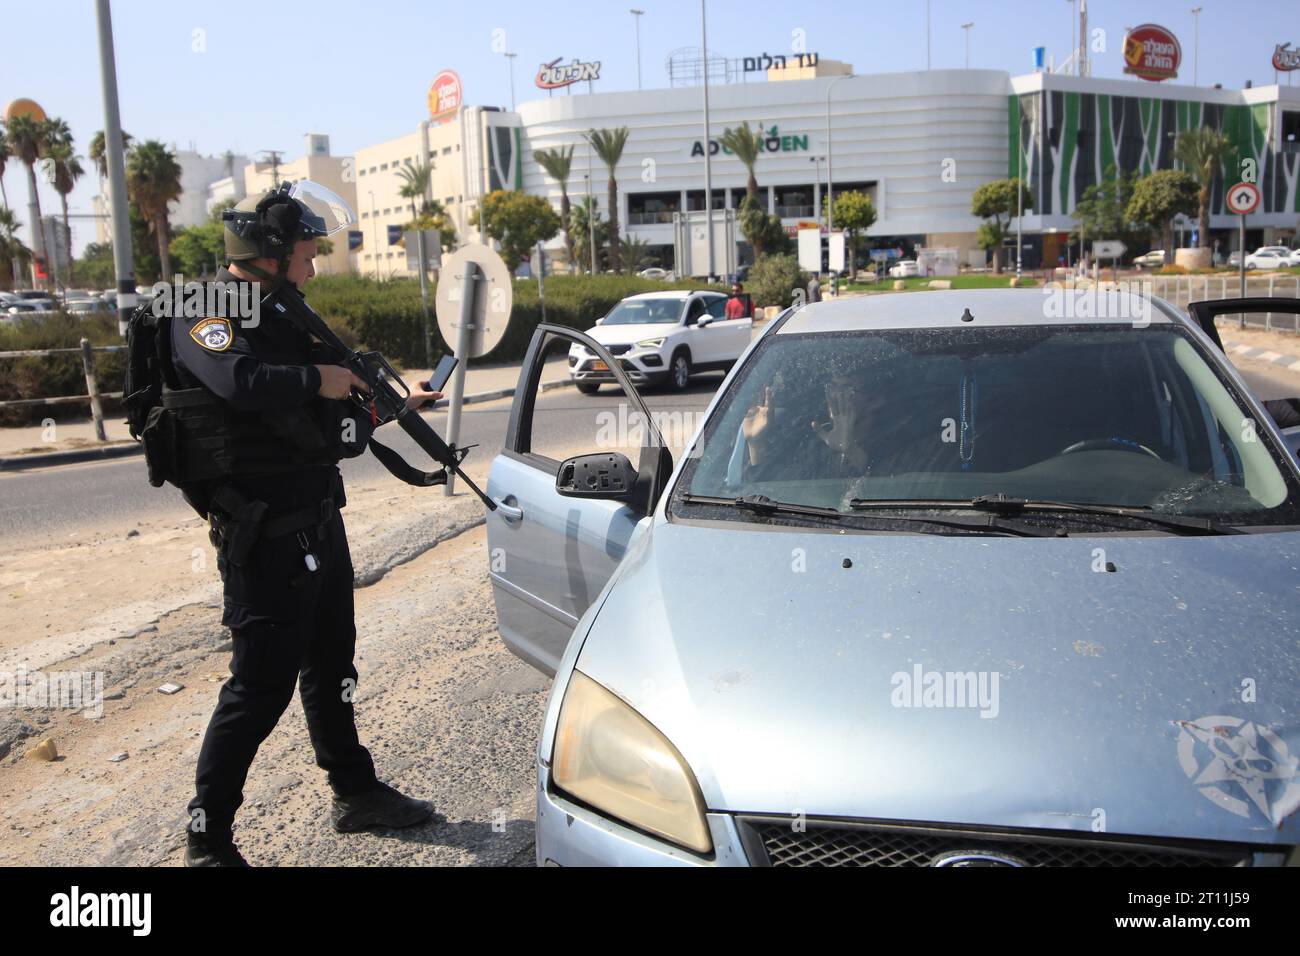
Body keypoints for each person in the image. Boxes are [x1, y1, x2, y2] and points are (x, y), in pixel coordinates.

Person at [165, 182, 443, 866]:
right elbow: (238, 384)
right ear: (267, 254)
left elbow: (323, 427)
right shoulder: (204, 309)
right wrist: (319, 379)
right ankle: (207, 839)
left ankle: (354, 792)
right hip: (261, 536)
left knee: (331, 666)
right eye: (307, 255)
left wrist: (389, 407)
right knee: (258, 688)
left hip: (319, 519)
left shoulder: (285, 314)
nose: (314, 268)